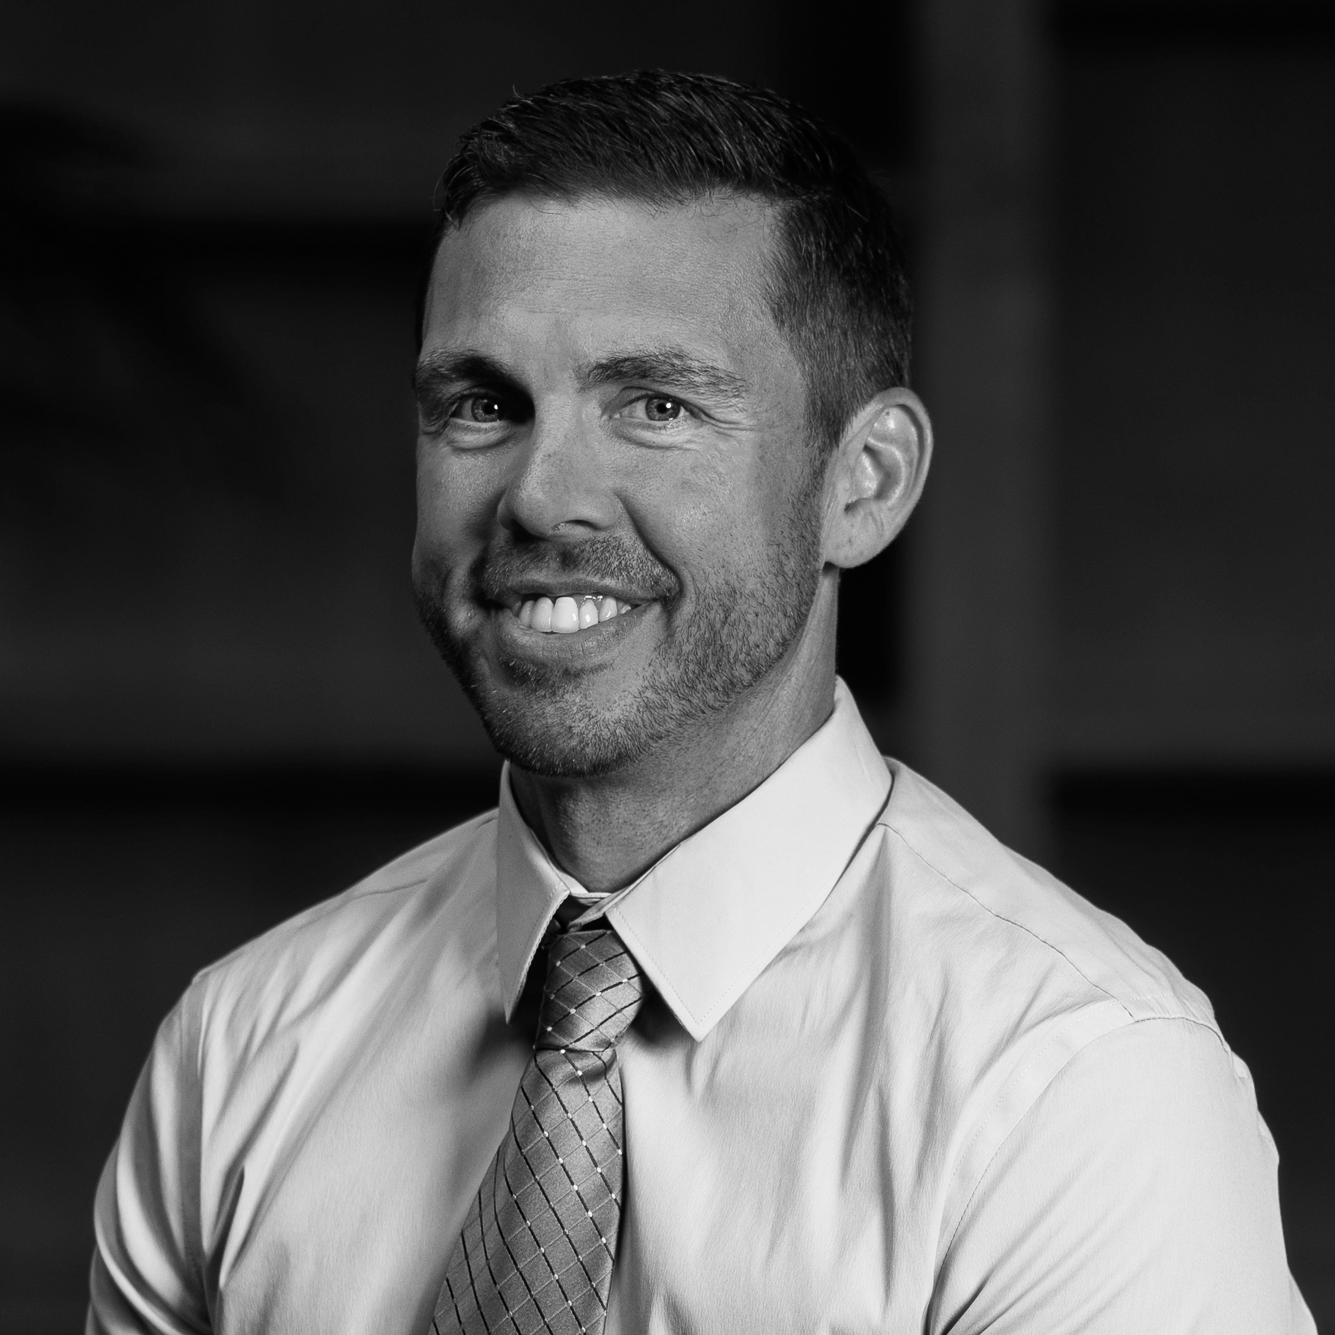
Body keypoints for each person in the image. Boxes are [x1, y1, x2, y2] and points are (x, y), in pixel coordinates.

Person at [88, 70, 1314, 1335]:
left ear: (866, 484)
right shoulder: (238, 1053)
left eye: (657, 406)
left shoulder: (1073, 1087)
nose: (540, 496)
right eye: (483, 406)